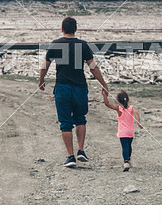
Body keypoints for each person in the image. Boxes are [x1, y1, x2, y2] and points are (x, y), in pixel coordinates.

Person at [39, 17, 109, 167]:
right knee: (80, 118)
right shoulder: (82, 45)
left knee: (65, 122)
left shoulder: (55, 44)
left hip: (62, 86)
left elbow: (45, 66)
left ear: (62, 29)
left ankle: (70, 156)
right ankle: (81, 150)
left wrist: (41, 81)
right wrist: (103, 84)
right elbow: (93, 67)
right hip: (80, 87)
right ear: (76, 29)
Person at [102, 90, 142, 172]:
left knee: (124, 147)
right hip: (130, 132)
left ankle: (126, 162)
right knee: (129, 145)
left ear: (117, 100)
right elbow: (136, 113)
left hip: (122, 132)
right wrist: (138, 122)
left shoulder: (118, 109)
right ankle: (129, 159)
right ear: (127, 99)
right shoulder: (131, 108)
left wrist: (104, 95)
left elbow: (107, 104)